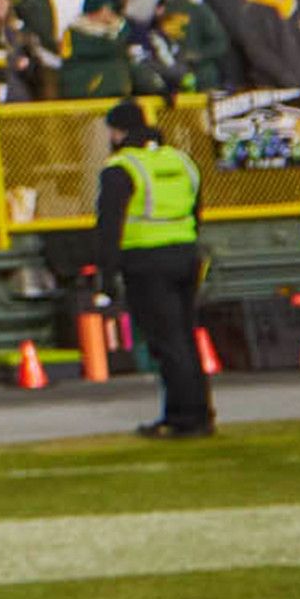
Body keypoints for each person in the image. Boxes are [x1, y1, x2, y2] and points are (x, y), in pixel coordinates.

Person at [87, 96, 213, 439]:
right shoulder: (181, 161)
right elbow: (196, 211)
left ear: (117, 131)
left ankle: (183, 417)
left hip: (145, 260)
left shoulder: (122, 168)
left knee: (166, 343)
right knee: (185, 337)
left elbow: (109, 225)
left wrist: (106, 275)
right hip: (186, 254)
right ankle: (198, 411)